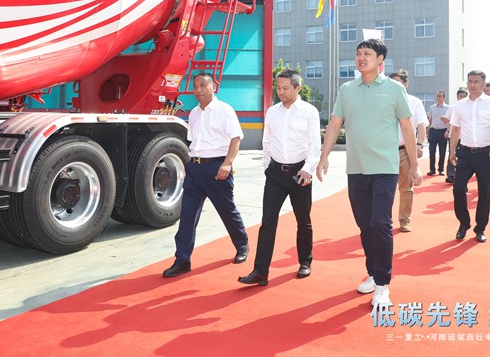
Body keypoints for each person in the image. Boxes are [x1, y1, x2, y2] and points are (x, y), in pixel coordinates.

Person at [316, 39, 421, 308]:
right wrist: (323, 156)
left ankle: (383, 284)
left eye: (368, 54)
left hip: (385, 168)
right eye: (358, 53)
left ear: (380, 59)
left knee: (381, 223)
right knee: (365, 225)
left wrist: (415, 165)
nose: (361, 58)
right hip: (356, 169)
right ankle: (373, 274)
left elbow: (407, 128)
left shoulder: (394, 89)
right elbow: (335, 124)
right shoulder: (347, 89)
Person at [238, 70, 320, 286]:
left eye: (285, 88)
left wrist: (308, 170)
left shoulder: (309, 111)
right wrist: (267, 167)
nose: (281, 92)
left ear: (297, 88)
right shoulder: (272, 112)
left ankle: (305, 262)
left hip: (300, 173)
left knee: (303, 220)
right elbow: (267, 141)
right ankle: (260, 271)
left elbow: (314, 144)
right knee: (267, 221)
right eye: (278, 88)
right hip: (275, 173)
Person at [163, 73, 249, 277]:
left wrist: (227, 164)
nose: (198, 90)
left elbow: (236, 139)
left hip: (217, 169)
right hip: (195, 169)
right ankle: (182, 260)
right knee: (187, 216)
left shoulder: (224, 110)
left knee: (227, 211)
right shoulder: (194, 113)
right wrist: (190, 165)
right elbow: (194, 142)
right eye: (195, 86)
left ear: (213, 87)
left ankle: (242, 245)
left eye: (203, 85)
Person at [448, 70, 490, 243]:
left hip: (486, 153)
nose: (472, 85)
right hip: (465, 153)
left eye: (476, 82)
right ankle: (463, 223)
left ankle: (480, 228)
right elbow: (455, 129)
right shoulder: (459, 105)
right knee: (458, 188)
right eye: (470, 81)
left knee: (484, 192)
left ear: (483, 84)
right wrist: (451, 151)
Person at [388, 70, 428, 233]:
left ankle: (404, 220)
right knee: (385, 189)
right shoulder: (384, 100)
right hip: (384, 152)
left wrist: (419, 144)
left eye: (397, 83)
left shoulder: (414, 102)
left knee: (406, 188)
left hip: (404, 150)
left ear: (406, 84)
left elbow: (421, 124)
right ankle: (384, 221)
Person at [443, 89, 467, 184]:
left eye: (464, 96)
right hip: (453, 136)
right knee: (452, 154)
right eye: (460, 96)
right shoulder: (453, 107)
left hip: (466, 137)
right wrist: (449, 126)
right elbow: (446, 119)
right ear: (457, 97)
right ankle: (451, 175)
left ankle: (462, 174)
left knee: (463, 156)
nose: (462, 98)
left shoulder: (470, 107)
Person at [427, 90, 449, 176]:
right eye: (437, 96)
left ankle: (441, 169)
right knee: (432, 151)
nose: (438, 97)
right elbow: (430, 120)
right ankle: (432, 169)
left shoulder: (448, 108)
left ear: (444, 97)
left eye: (440, 96)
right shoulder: (432, 107)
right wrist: (427, 132)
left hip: (443, 132)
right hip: (433, 131)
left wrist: (447, 131)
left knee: (442, 152)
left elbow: (449, 121)